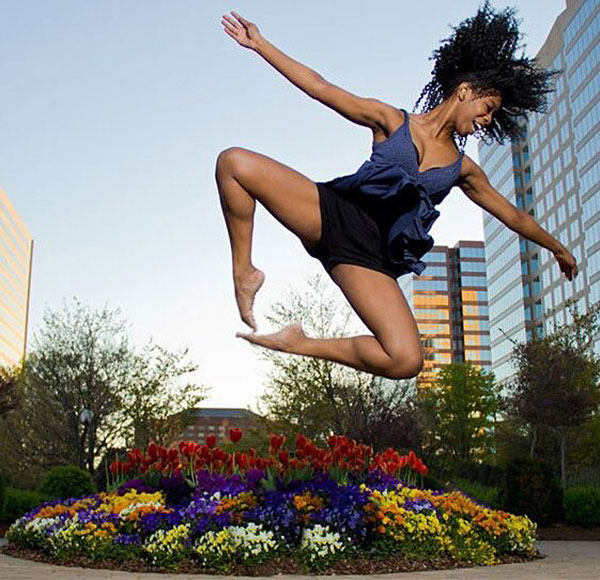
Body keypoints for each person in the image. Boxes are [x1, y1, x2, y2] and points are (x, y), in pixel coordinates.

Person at [215, 1, 578, 380]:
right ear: (465, 91)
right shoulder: (392, 121)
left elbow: (513, 214)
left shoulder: (463, 169)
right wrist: (261, 45)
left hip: (368, 257)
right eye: (487, 108)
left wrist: (557, 247)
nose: (486, 120)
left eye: (491, 117)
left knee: (406, 360)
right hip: (332, 214)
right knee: (233, 163)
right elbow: (321, 87)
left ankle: (299, 342)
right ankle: (245, 272)